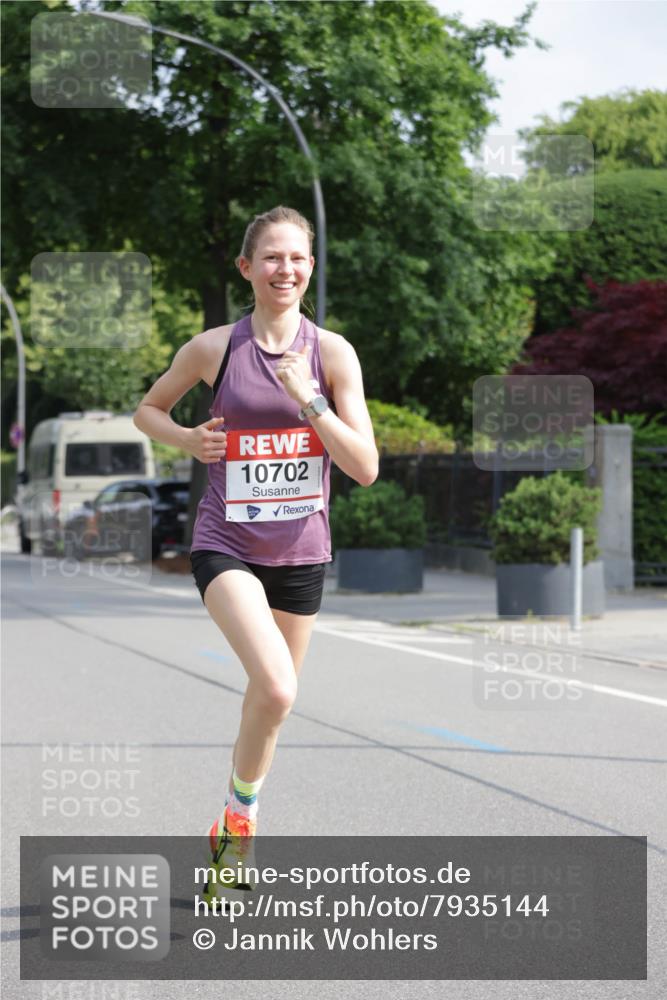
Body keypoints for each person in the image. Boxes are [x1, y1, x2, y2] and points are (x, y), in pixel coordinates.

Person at [133, 205, 378, 890]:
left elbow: (363, 466)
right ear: (246, 268)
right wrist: (186, 439)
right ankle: (243, 826)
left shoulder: (332, 356)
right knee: (273, 683)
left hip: (301, 553)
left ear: (310, 268)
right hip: (227, 544)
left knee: (272, 701)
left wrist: (310, 402)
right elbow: (148, 409)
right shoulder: (214, 349)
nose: (285, 269)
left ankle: (230, 815)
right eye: (271, 256)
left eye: (297, 257)